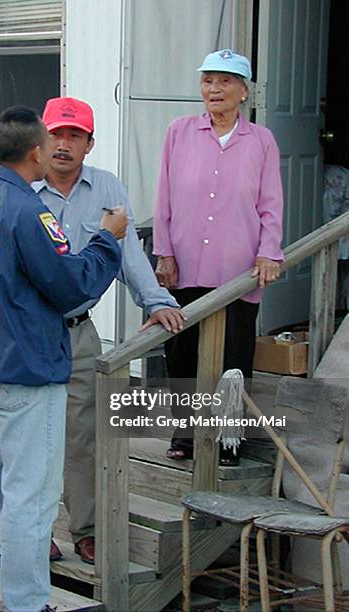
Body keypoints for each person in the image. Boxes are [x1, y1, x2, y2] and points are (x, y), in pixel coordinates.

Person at [0, 105, 128, 612]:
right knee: (30, 501)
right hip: (25, 373)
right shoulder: (29, 213)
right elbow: (72, 286)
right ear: (36, 152)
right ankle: (25, 604)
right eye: (50, 141)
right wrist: (109, 240)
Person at [33, 97, 186, 564]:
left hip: (79, 333)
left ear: (89, 143)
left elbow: (127, 255)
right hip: (28, 333)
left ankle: (87, 529)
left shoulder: (106, 187)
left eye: (74, 136)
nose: (63, 144)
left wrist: (157, 301)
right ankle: (34, 536)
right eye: (56, 134)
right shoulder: (22, 187)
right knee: (30, 437)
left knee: (85, 434)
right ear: (41, 139)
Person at [153, 49, 283, 463]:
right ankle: (187, 434)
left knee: (233, 359)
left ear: (244, 91)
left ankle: (229, 440)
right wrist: (164, 253)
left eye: (226, 81)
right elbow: (164, 197)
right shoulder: (179, 132)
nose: (215, 89)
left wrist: (269, 251)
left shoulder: (261, 141)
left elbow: (270, 203)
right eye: (208, 80)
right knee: (182, 353)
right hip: (185, 264)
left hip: (239, 269)